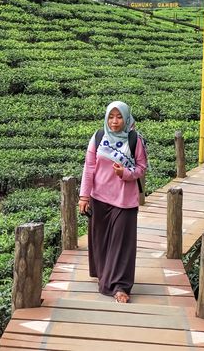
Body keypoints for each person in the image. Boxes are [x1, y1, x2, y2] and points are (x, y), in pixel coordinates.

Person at [79, 101, 148, 304]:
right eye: (111, 117)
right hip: (99, 197)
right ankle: (105, 274)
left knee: (121, 243)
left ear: (126, 119)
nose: (115, 121)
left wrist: (125, 173)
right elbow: (89, 167)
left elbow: (142, 168)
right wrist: (84, 196)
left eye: (119, 117)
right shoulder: (98, 137)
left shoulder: (135, 140)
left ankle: (120, 286)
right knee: (101, 240)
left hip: (125, 201)